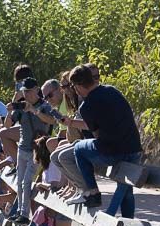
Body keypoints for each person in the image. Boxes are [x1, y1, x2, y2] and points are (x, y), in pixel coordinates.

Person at [52, 64, 142, 215]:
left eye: (73, 86)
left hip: (115, 154)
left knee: (80, 148)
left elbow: (98, 136)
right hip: (134, 150)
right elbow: (103, 121)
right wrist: (72, 123)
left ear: (79, 86)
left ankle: (93, 192)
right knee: (126, 191)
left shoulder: (87, 106)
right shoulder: (112, 91)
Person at [11, 78, 64, 222]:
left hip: (37, 150)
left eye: (29, 90)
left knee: (26, 181)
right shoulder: (21, 106)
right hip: (22, 148)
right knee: (20, 182)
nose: (26, 93)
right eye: (24, 91)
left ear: (36, 89)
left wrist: (34, 111)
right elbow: (7, 123)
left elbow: (53, 121)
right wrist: (13, 104)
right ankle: (20, 212)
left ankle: (24, 214)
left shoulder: (45, 105)